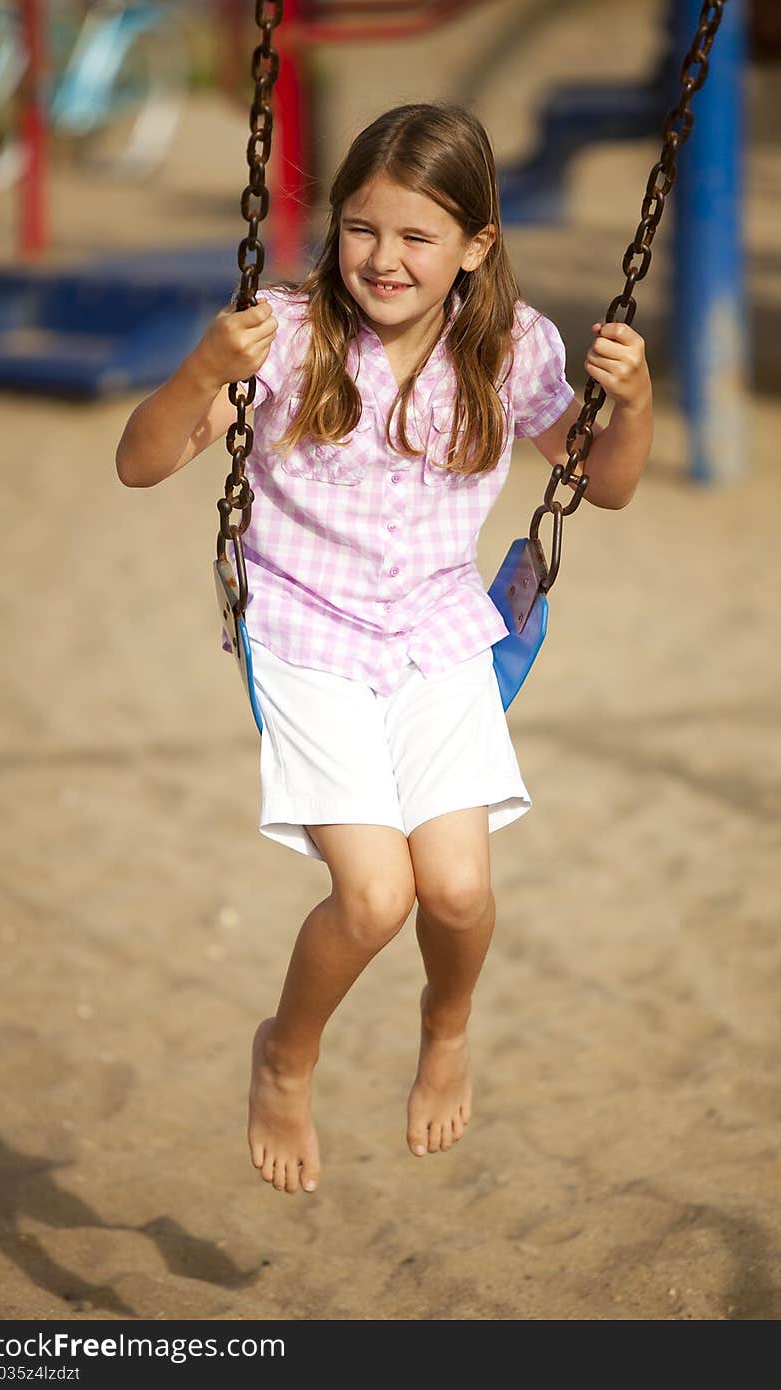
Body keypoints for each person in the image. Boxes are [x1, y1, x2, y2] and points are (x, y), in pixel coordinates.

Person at [115, 102, 653, 1196]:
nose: (385, 259)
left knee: (455, 889)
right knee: (373, 898)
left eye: (417, 236)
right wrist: (201, 368)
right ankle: (286, 1051)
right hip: (305, 634)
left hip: (440, 631)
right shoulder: (284, 334)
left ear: (475, 246)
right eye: (363, 229)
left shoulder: (514, 346)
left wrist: (632, 403)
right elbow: (140, 462)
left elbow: (603, 482)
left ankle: (445, 1025)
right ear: (337, 228)